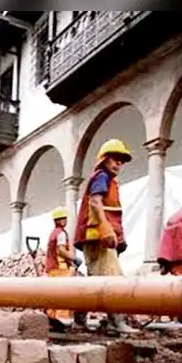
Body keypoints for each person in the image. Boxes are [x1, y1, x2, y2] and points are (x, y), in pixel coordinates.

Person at [74, 138, 136, 335]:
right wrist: (106, 229)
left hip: (97, 238)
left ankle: (79, 320)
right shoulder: (102, 177)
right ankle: (115, 322)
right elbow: (95, 202)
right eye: (115, 159)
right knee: (112, 279)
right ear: (104, 160)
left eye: (121, 161)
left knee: (95, 282)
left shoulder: (108, 180)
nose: (118, 164)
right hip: (98, 238)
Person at [44, 206, 80, 326]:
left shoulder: (53, 233)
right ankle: (62, 320)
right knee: (64, 295)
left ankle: (51, 321)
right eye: (63, 218)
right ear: (58, 220)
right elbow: (61, 250)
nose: (66, 220)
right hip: (60, 269)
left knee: (53, 296)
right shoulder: (60, 234)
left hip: (52, 269)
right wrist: (74, 258)